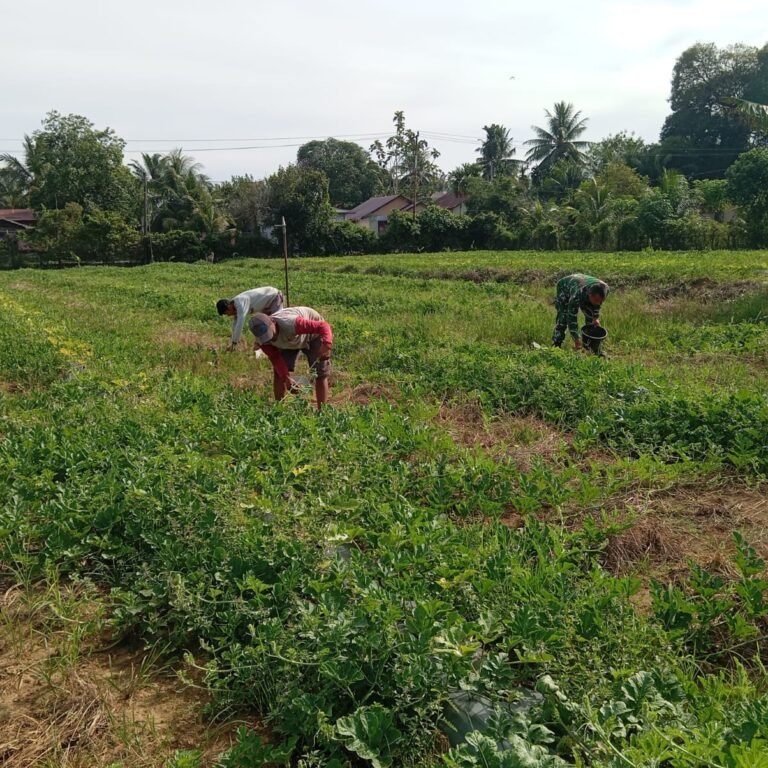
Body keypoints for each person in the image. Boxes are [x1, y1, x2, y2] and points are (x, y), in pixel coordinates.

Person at [249, 307, 332, 410]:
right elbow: (275, 358)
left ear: (273, 322)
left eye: (270, 334)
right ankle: (279, 409)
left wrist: (327, 344)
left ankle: (322, 411)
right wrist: (286, 378)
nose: (271, 338)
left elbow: (323, 326)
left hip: (313, 334)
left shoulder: (291, 323)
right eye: (266, 337)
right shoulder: (263, 341)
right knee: (278, 374)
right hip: (289, 341)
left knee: (320, 373)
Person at [216, 287, 284, 350]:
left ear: (228, 308)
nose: (228, 315)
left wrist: (234, 343)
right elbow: (235, 325)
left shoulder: (240, 303)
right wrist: (233, 342)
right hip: (266, 304)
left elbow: (239, 324)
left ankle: (282, 347)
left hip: (274, 298)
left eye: (226, 313)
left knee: (276, 325)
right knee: (265, 327)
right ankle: (264, 347)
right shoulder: (235, 307)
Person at [552, 273, 609, 349]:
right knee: (563, 317)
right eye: (596, 300)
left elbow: (597, 304)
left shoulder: (605, 289)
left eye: (601, 301)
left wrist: (595, 317)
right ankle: (556, 344)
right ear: (590, 295)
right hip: (565, 287)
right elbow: (571, 318)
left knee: (591, 320)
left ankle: (591, 345)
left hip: (583, 286)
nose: (598, 303)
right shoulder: (577, 294)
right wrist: (576, 338)